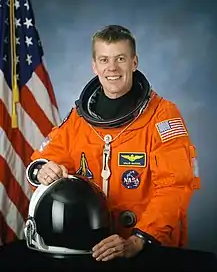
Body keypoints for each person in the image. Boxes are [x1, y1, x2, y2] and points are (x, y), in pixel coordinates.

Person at [26, 25, 200, 262]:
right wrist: (44, 170)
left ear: (134, 62)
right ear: (94, 66)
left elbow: (175, 187)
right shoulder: (79, 119)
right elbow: (42, 162)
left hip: (147, 248)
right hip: (91, 248)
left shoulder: (162, 116)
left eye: (120, 58)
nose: (112, 68)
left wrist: (138, 240)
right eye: (104, 59)